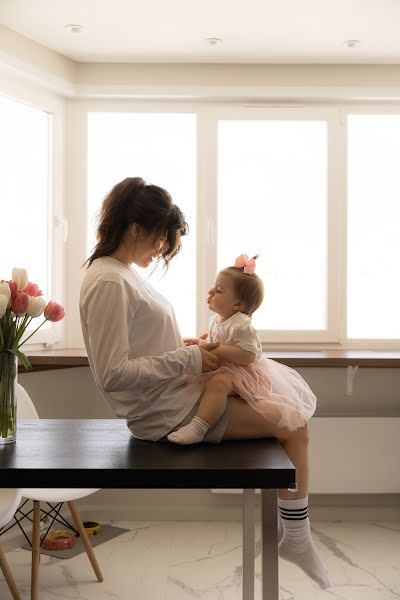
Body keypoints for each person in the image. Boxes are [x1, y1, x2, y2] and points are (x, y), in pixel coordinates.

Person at [80, 178, 330, 590]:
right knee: (294, 424)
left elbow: (143, 348)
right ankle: (298, 539)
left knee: (292, 423)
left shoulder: (119, 274)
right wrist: (192, 356)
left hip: (177, 393)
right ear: (137, 227)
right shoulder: (110, 280)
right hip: (164, 412)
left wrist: (188, 350)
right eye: (162, 239)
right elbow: (113, 374)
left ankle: (296, 537)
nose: (160, 249)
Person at [168, 253, 316, 446]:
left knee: (218, 384)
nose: (211, 292)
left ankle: (199, 427)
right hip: (224, 367)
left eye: (219, 290)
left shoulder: (242, 324)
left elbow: (248, 355)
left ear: (237, 304)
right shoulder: (218, 319)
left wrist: (217, 349)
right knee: (199, 381)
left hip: (242, 372)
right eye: (213, 287)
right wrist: (200, 341)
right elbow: (215, 337)